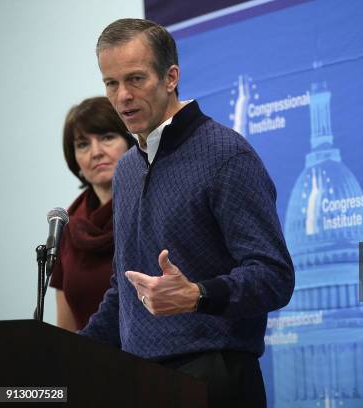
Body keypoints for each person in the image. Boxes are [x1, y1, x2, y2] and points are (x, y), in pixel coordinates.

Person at [80, 18, 294, 406]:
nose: (122, 96)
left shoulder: (227, 155)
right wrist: (65, 357)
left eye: (136, 79)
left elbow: (275, 276)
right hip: (138, 380)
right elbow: (124, 292)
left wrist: (198, 295)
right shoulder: (127, 169)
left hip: (215, 380)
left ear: (171, 77)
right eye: (111, 83)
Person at [50, 97, 135, 331]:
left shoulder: (151, 205)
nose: (96, 152)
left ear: (129, 142)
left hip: (151, 362)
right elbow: (65, 330)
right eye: (83, 144)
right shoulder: (67, 224)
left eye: (107, 138)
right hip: (89, 362)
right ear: (74, 159)